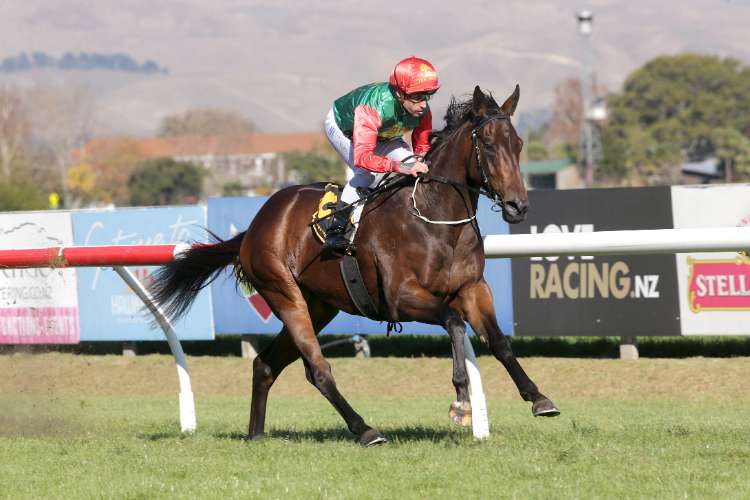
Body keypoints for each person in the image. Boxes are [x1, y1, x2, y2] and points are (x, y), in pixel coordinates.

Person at [322, 56, 439, 253]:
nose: (423, 105)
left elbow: (422, 143)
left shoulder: (422, 110)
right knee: (366, 175)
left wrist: (417, 161)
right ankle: (335, 231)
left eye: (427, 96)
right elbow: (363, 158)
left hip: (383, 134)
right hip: (344, 129)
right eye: (417, 97)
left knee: (412, 166)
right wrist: (401, 167)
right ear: (399, 94)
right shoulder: (374, 107)